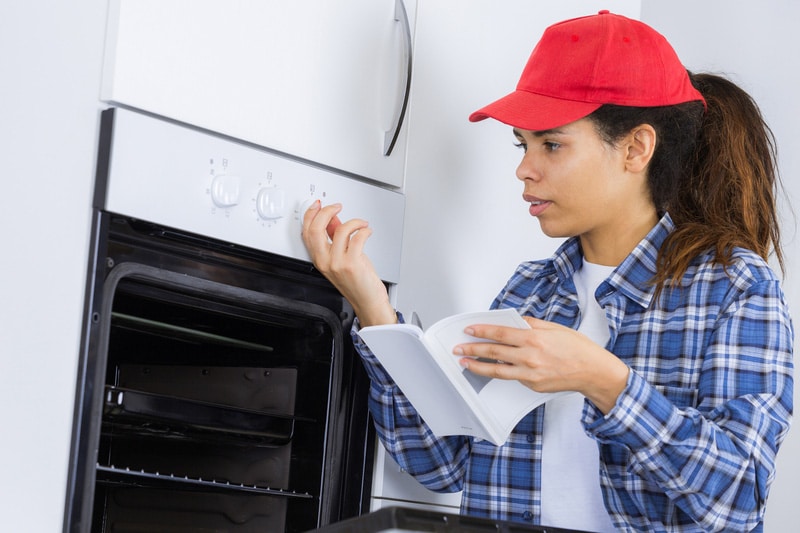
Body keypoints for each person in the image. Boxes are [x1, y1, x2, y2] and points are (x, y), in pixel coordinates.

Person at [301, 10, 793, 533]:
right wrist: (373, 308)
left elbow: (739, 498)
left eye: (552, 144)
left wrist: (603, 381)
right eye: (523, 144)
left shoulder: (735, 288)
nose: (524, 168)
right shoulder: (531, 290)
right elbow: (441, 464)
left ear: (635, 149)